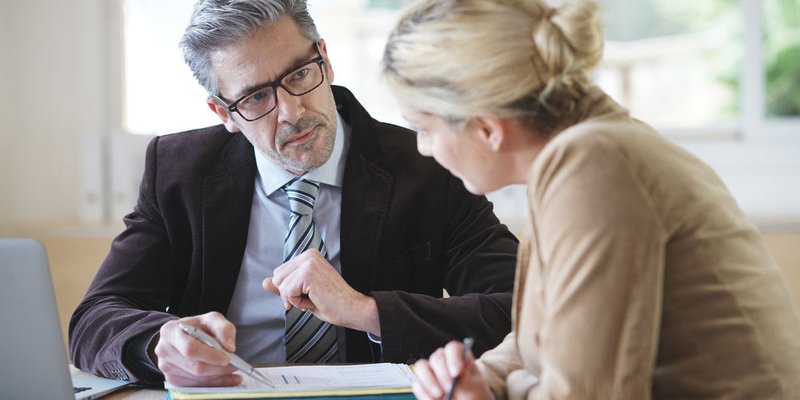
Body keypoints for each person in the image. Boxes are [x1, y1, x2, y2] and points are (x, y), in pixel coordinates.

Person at [69, 0, 519, 387]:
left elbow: (522, 311)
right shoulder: (178, 170)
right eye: (255, 98)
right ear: (222, 111)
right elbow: (94, 319)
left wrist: (367, 311)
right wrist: (158, 343)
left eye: (300, 74)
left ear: (324, 58)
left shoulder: (428, 166)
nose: (291, 112)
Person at [381, 0, 800, 399]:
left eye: (424, 127)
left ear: (487, 128)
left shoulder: (594, 167)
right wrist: (482, 379)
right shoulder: (583, 151)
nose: (423, 148)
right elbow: (535, 340)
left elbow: (589, 394)